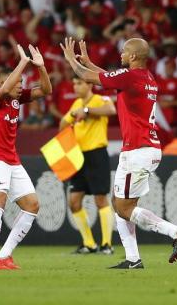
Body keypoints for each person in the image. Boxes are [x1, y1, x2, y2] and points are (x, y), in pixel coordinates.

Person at [61, 37, 177, 269]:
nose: (121, 55)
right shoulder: (145, 78)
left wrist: (72, 60)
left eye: (124, 52)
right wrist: (90, 62)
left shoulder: (130, 77)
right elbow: (108, 78)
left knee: (123, 208)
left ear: (133, 56)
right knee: (120, 204)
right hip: (142, 148)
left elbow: (88, 78)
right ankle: (133, 259)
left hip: (138, 150)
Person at [0, 44, 52, 270]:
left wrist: (40, 67)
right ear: (3, 83)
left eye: (22, 83)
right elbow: (3, 91)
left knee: (32, 204)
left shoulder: (16, 100)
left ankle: (5, 254)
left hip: (11, 158)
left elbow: (46, 91)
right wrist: (22, 62)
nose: (21, 87)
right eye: (17, 82)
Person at [59, 70, 116, 255]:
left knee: (100, 198)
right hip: (78, 156)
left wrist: (87, 111)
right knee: (74, 201)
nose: (76, 87)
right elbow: (62, 125)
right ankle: (89, 243)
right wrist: (72, 117)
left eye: (80, 83)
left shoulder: (101, 99)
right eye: (74, 84)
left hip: (96, 154)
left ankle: (107, 244)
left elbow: (111, 110)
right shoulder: (75, 103)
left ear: (90, 85)